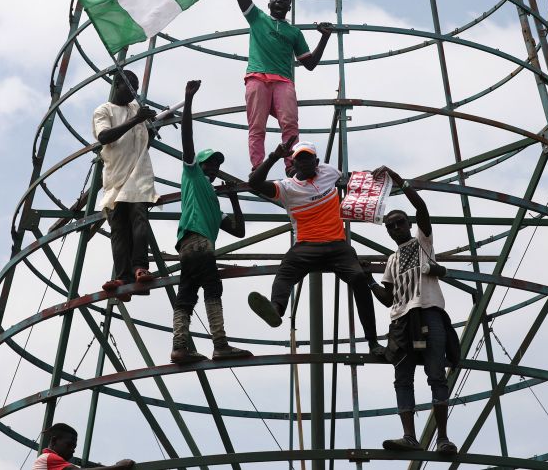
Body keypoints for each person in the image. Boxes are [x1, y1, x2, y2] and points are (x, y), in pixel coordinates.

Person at [246, 140, 384, 357]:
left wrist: (376, 174)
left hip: (337, 245)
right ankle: (276, 310)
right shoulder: (287, 188)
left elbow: (355, 179)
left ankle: (373, 343)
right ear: (294, 163)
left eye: (308, 157)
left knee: (359, 278)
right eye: (300, 158)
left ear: (316, 161)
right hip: (306, 246)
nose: (305, 162)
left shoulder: (328, 172)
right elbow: (254, 183)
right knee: (285, 272)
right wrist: (273, 156)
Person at [369, 166, 461, 454]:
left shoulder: (422, 243)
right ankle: (410, 437)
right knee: (402, 377)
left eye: (399, 223)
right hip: (400, 320)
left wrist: (396, 179)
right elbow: (387, 298)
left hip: (428, 312)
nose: (395, 228)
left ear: (408, 224)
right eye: (390, 226)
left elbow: (421, 206)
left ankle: (443, 438)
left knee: (436, 373)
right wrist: (368, 281)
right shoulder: (392, 259)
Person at [228, 0, 334, 176]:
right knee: (257, 126)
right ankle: (257, 166)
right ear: (269, 2)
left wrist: (325, 37)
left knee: (290, 125)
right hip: (257, 78)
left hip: (283, 81)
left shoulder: (294, 32)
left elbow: (310, 64)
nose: (279, 1)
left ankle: (290, 165)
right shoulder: (256, 17)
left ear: (289, 6)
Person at [171, 80, 253, 364]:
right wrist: (189, 99)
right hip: (198, 243)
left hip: (190, 246)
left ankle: (180, 346)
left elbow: (239, 231)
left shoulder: (213, 202)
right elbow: (187, 141)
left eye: (216, 165)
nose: (213, 168)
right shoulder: (193, 178)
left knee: (186, 296)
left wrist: (233, 198)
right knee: (212, 289)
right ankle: (220, 343)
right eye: (209, 164)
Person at [93, 70, 160, 300]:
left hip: (138, 176)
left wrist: (151, 127)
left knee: (139, 219)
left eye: (136, 87)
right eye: (129, 85)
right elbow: (104, 137)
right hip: (114, 178)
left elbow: (142, 141)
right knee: (119, 230)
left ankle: (140, 267)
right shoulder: (104, 111)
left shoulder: (136, 110)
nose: (134, 92)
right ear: (117, 85)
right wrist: (137, 120)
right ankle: (123, 276)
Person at [33, 423, 134, 469]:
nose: (73, 450)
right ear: (54, 441)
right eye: (69, 445)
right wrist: (120, 466)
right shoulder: (49, 458)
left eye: (74, 447)